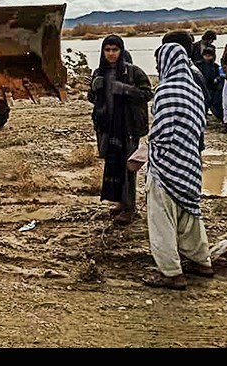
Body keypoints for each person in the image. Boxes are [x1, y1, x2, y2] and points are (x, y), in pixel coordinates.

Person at [142, 42, 212, 291]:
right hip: (190, 162)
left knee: (162, 220)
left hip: (167, 165)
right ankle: (201, 262)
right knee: (190, 215)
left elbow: (161, 131)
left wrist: (151, 151)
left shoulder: (166, 89)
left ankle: (171, 273)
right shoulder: (195, 89)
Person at [88, 35, 153, 225]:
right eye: (107, 50)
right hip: (106, 127)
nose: (111, 54)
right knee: (113, 164)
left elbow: (147, 94)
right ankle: (119, 203)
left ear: (121, 51)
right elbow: (93, 99)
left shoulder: (133, 72)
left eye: (114, 50)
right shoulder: (99, 72)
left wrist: (125, 89)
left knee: (128, 167)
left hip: (128, 127)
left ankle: (130, 207)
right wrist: (94, 89)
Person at [195, 45, 224, 121]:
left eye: (209, 55)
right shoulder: (198, 65)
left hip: (211, 87)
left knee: (209, 103)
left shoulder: (215, 66)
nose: (207, 57)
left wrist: (217, 80)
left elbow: (218, 76)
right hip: (201, 87)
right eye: (206, 55)